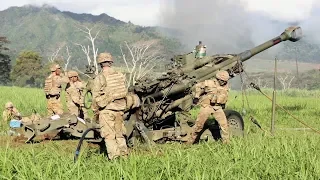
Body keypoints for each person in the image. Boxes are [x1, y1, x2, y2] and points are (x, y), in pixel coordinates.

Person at [91, 52, 128, 160]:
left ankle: (115, 159)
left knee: (109, 136)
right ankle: (124, 157)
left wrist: (95, 111)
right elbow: (125, 90)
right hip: (120, 109)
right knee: (119, 134)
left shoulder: (101, 77)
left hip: (107, 110)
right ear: (111, 62)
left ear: (100, 63)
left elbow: (95, 96)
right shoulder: (120, 75)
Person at [187, 70, 231, 144]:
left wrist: (223, 104)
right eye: (222, 81)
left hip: (217, 108)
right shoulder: (209, 83)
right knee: (198, 126)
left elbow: (225, 95)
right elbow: (198, 86)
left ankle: (227, 144)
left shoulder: (225, 86)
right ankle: (189, 142)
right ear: (218, 79)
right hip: (207, 107)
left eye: (225, 81)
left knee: (224, 126)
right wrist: (196, 97)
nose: (223, 82)